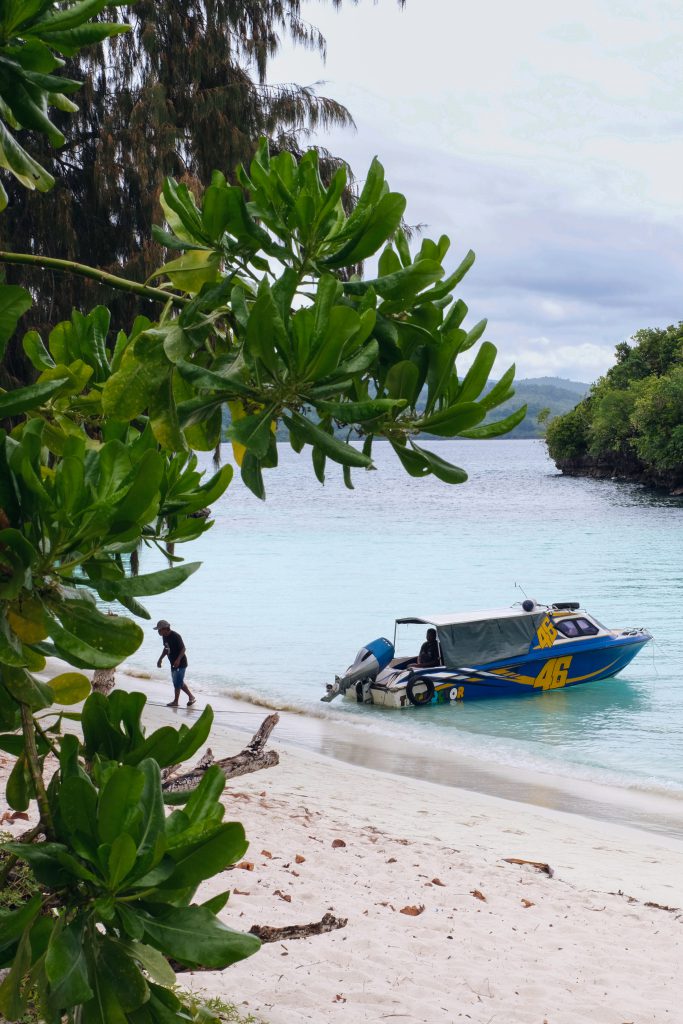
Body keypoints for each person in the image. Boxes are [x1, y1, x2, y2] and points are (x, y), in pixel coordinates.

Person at [155, 619, 196, 707]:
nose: (158, 631)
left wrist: (178, 660)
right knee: (178, 682)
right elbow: (166, 648)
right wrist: (160, 659)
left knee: (177, 682)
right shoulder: (164, 636)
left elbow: (183, 649)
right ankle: (191, 697)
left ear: (166, 628)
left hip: (181, 663)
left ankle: (176, 702)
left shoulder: (176, 636)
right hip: (173, 662)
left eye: (159, 629)